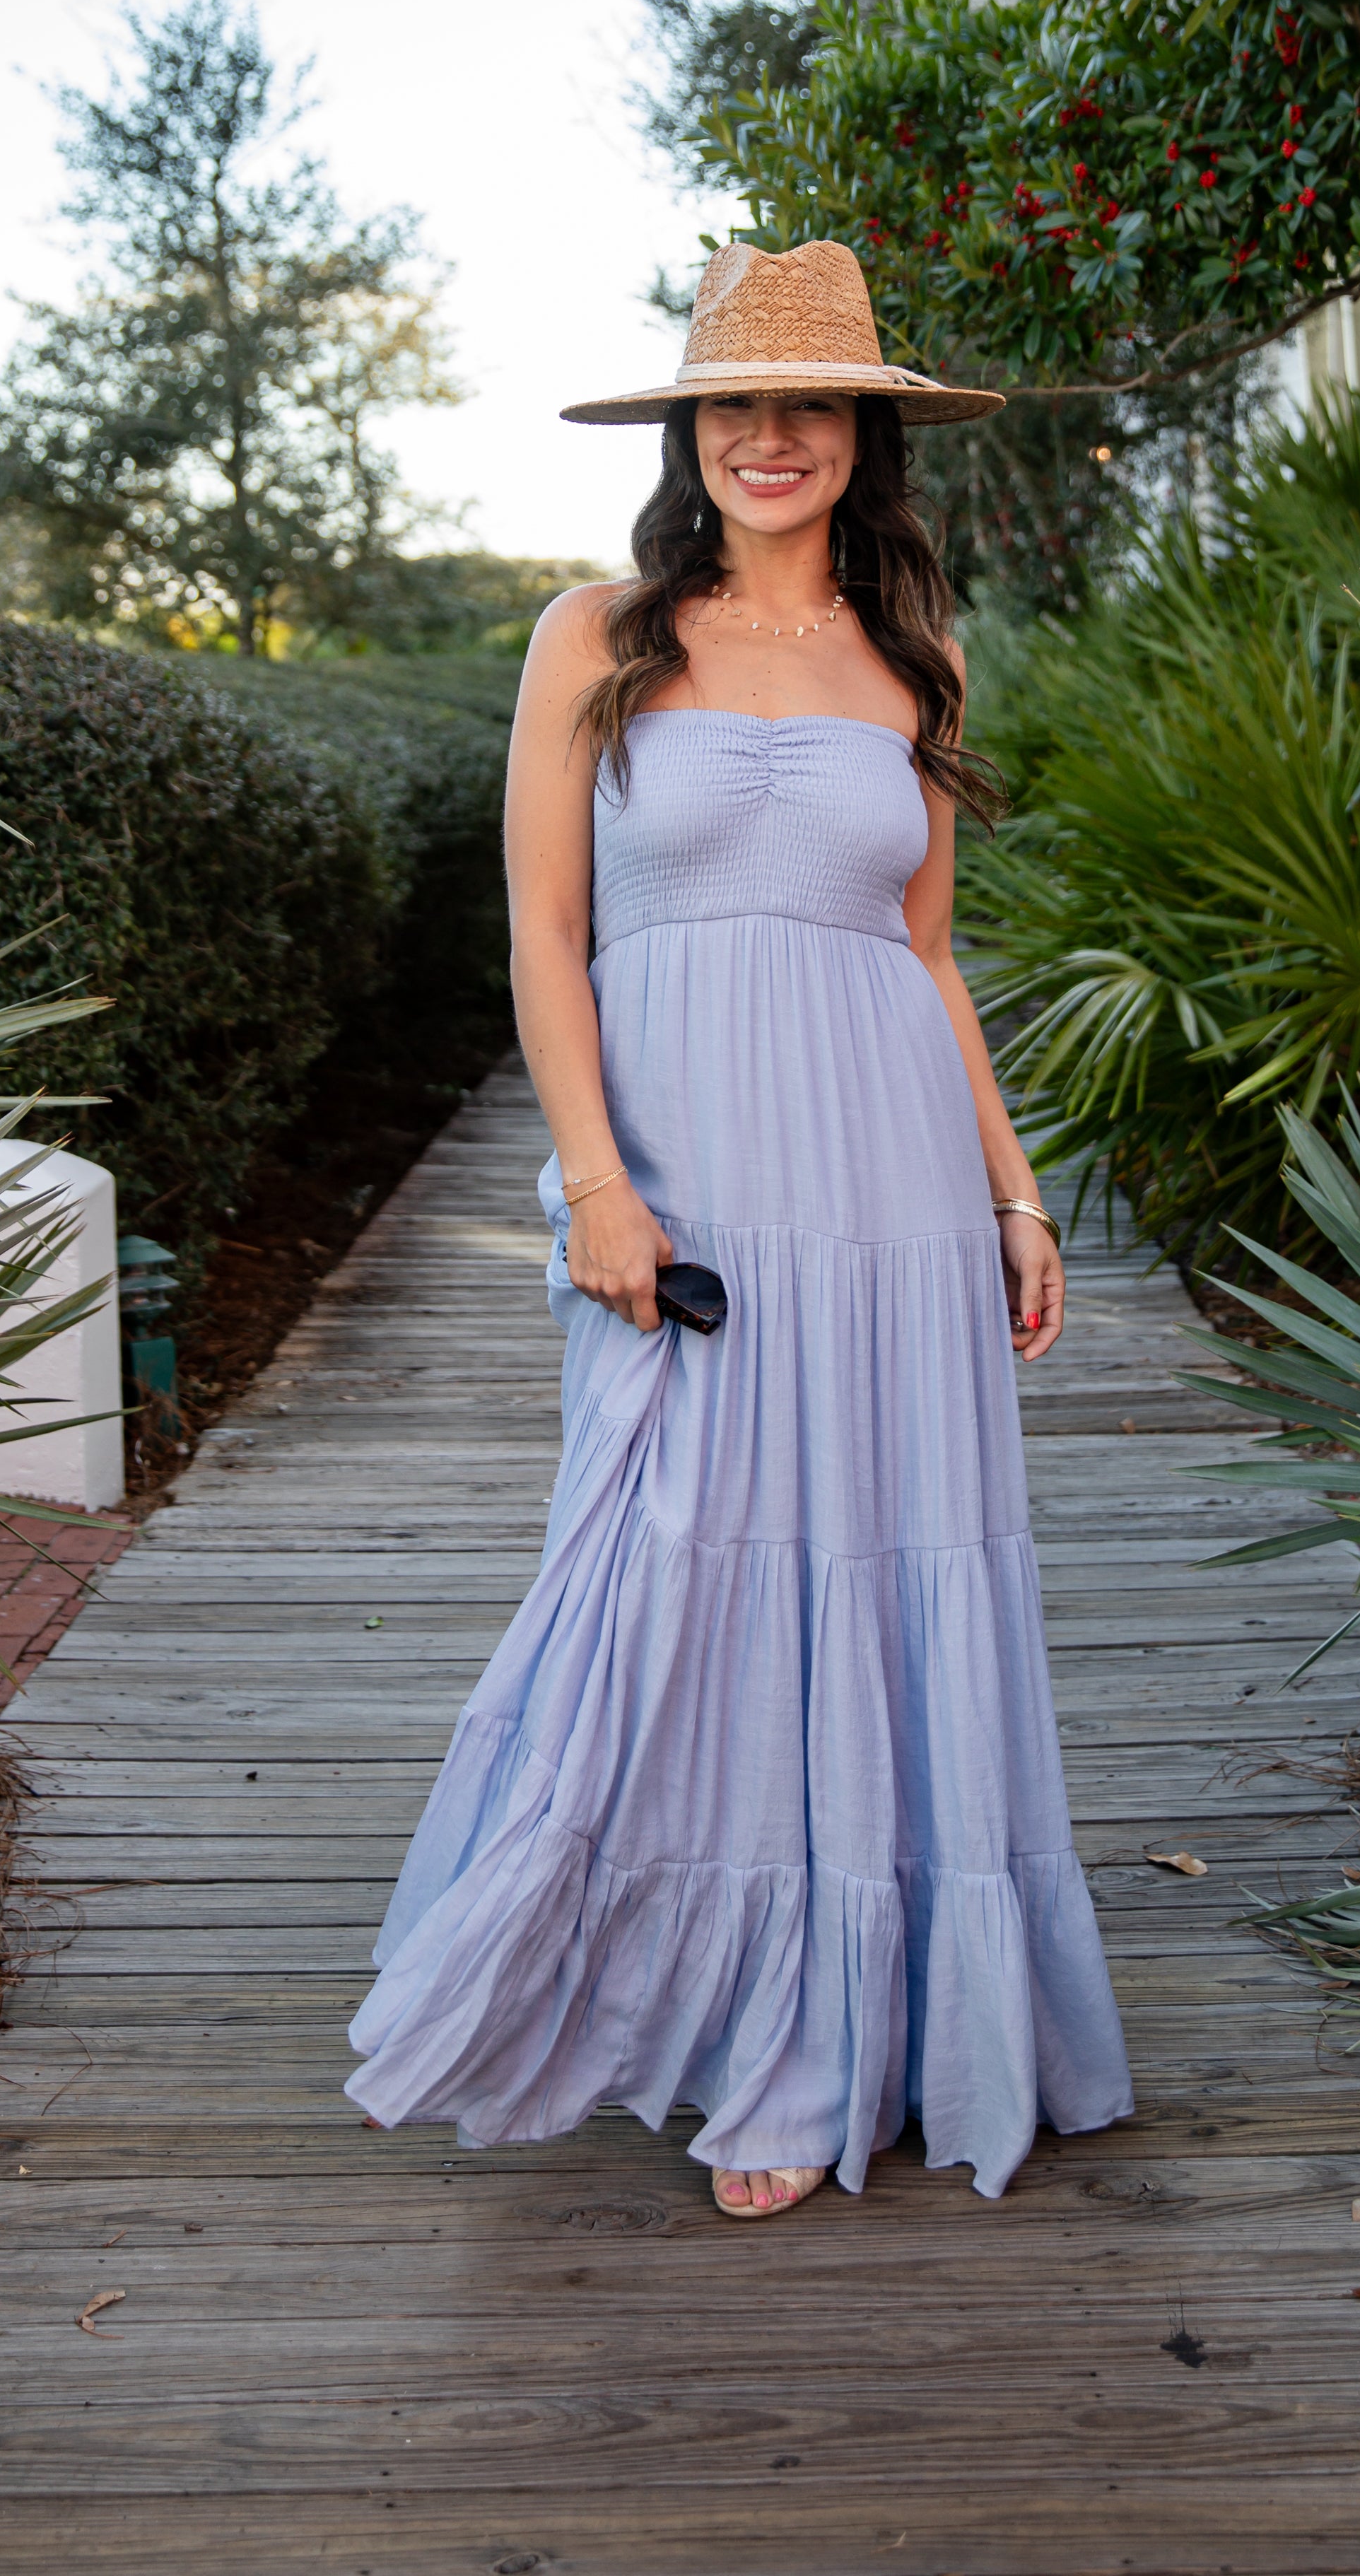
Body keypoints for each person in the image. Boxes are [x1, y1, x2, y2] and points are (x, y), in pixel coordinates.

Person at [346, 240, 1132, 2218]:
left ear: (862, 439)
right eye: (732, 406)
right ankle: (712, 2013)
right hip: (687, 1189)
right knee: (672, 1569)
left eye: (808, 407)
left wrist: (1013, 1190)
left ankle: (846, 2031)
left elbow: (928, 959)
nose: (768, 438)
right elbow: (541, 933)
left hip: (893, 1197)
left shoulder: (918, 664)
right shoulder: (596, 635)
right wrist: (597, 1183)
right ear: (692, 435)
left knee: (876, 1574)